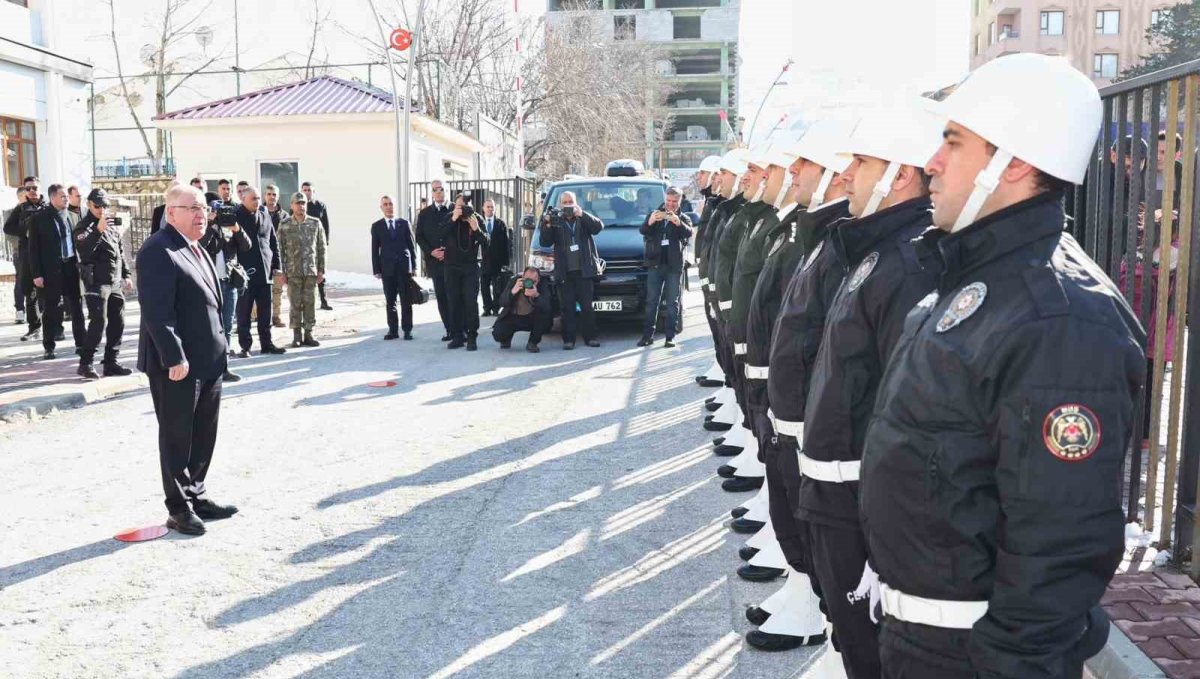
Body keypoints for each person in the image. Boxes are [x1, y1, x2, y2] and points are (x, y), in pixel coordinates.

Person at [859, 54, 1146, 679]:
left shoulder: (1060, 317)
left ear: (1013, 164)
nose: (931, 164)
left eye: (953, 143)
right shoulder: (974, 276)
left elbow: (1063, 538)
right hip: (921, 639)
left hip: (974, 657)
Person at [793, 104, 942, 679]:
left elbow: (907, 408)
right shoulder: (874, 252)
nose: (846, 174)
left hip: (862, 505)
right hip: (836, 494)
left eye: (860, 161)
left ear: (899, 175)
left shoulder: (909, 265)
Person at [136, 184, 239, 536]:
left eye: (203, 208)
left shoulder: (197, 248)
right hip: (178, 366)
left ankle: (197, 494)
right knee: (177, 436)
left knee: (203, 434)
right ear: (171, 212)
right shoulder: (158, 251)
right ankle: (178, 508)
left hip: (208, 361)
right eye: (191, 208)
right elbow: (156, 312)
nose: (201, 214)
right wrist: (173, 356)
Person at [72, 188, 134, 379]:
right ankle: (86, 363)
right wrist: (97, 230)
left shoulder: (111, 225)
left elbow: (119, 251)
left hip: (114, 280)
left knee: (118, 321)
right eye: (98, 205)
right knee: (99, 322)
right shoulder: (83, 227)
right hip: (96, 281)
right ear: (89, 205)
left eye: (105, 205)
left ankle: (111, 362)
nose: (102, 209)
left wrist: (126, 275)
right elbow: (83, 249)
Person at [539, 191, 604, 350]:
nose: (568, 205)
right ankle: (569, 340)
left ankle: (591, 337)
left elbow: (598, 227)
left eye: (571, 202)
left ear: (575, 203)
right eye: (565, 202)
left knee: (587, 306)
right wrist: (546, 224)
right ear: (561, 205)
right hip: (565, 272)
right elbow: (545, 242)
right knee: (567, 308)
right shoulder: (556, 221)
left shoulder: (583, 218)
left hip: (584, 271)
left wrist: (582, 213)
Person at [26, 184, 84, 360]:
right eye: (62, 196)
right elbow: (33, 249)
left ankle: (81, 344)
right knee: (51, 310)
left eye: (67, 196)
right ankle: (49, 346)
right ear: (52, 198)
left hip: (71, 267)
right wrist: (36, 274)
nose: (66, 199)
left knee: (77, 307)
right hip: (51, 270)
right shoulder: (39, 219)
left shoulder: (73, 217)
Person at [198, 201, 250, 383]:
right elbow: (200, 246)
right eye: (216, 211)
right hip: (211, 284)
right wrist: (211, 225)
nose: (221, 215)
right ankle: (209, 367)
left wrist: (237, 229)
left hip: (229, 282)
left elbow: (246, 246)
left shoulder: (231, 227)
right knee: (211, 327)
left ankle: (224, 367)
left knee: (227, 326)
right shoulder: (204, 228)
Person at [233, 185, 286, 356]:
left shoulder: (264, 214)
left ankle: (267, 343)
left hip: (265, 270)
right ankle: (245, 346)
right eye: (253, 199)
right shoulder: (236, 215)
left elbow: (272, 241)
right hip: (245, 271)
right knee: (244, 311)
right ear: (243, 199)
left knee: (265, 311)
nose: (256, 202)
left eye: (257, 198)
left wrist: (277, 265)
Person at [638, 186, 693, 347]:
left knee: (672, 303)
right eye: (668, 201)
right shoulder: (655, 213)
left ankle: (670, 336)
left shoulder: (683, 217)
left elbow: (689, 233)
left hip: (673, 266)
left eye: (674, 201)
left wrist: (678, 223)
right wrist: (651, 221)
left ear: (679, 201)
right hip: (655, 264)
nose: (670, 204)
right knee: (651, 301)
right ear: (665, 199)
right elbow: (643, 230)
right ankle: (647, 336)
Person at [277, 192, 327, 348]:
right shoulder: (285, 224)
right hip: (293, 272)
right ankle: (296, 335)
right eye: (298, 203)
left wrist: (321, 270)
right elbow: (280, 249)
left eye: (303, 203)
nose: (301, 206)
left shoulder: (315, 223)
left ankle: (309, 333)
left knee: (310, 302)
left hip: (310, 271)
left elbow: (321, 247)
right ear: (291, 205)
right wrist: (282, 272)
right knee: (295, 303)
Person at [439, 193, 488, 351]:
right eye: (459, 206)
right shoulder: (449, 217)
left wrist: (476, 229)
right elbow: (440, 235)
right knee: (454, 301)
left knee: (470, 301)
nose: (462, 210)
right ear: (455, 205)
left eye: (465, 206)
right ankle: (457, 336)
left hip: (470, 267)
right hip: (451, 267)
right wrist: (453, 218)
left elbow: (487, 242)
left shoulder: (477, 218)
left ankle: (472, 336)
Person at [370, 194, 417, 340]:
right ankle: (393, 330)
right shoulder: (377, 226)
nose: (389, 207)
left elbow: (411, 246)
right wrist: (376, 269)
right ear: (381, 207)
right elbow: (374, 249)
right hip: (387, 269)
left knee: (406, 300)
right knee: (390, 300)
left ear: (394, 206)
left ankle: (407, 330)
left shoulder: (404, 223)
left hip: (403, 268)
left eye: (391, 204)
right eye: (385, 204)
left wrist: (414, 266)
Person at [5, 178, 46, 341]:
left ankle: (54, 327)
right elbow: (7, 227)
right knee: (30, 293)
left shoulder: (48, 208)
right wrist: (25, 231)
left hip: (46, 255)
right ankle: (34, 328)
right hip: (27, 255)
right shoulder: (21, 209)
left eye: (35, 188)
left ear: (40, 188)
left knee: (50, 292)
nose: (32, 191)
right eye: (28, 189)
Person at [416, 179, 453, 340]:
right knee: (442, 297)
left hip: (453, 262)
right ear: (431, 193)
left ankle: (461, 329)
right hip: (435, 263)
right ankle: (449, 329)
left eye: (441, 189)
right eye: (435, 189)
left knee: (455, 296)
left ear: (446, 191)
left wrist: (449, 251)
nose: (438, 192)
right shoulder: (424, 214)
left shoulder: (454, 210)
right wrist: (432, 252)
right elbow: (419, 237)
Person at [492, 266, 552, 352]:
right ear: (522, 277)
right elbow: (502, 302)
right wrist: (513, 291)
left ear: (538, 279)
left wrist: (536, 295)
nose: (529, 283)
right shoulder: (515, 281)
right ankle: (506, 339)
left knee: (544, 316)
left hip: (532, 317)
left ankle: (533, 342)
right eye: (527, 280)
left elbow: (548, 308)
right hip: (513, 316)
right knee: (498, 334)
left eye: (533, 281)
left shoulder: (543, 284)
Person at [301, 181, 333, 311]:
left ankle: (323, 300)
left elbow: (326, 225)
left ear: (313, 192)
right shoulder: (298, 205)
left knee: (321, 272)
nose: (307, 192)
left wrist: (325, 243)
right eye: (305, 190)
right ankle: (305, 302)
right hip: (303, 245)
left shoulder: (320, 205)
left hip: (317, 244)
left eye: (309, 190)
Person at [479, 198, 512, 316]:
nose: (490, 209)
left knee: (497, 287)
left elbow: (507, 244)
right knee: (484, 287)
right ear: (483, 208)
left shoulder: (500, 224)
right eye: (487, 207)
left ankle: (495, 308)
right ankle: (487, 308)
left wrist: (506, 263)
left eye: (492, 207)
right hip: (484, 261)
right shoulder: (480, 223)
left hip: (497, 261)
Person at [264, 184, 289, 328]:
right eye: (269, 194)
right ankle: (261, 317)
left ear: (278, 196)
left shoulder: (284, 216)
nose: (271, 197)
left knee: (277, 290)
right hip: (262, 257)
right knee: (262, 290)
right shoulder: (259, 212)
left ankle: (276, 316)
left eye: (274, 194)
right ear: (265, 196)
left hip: (278, 258)